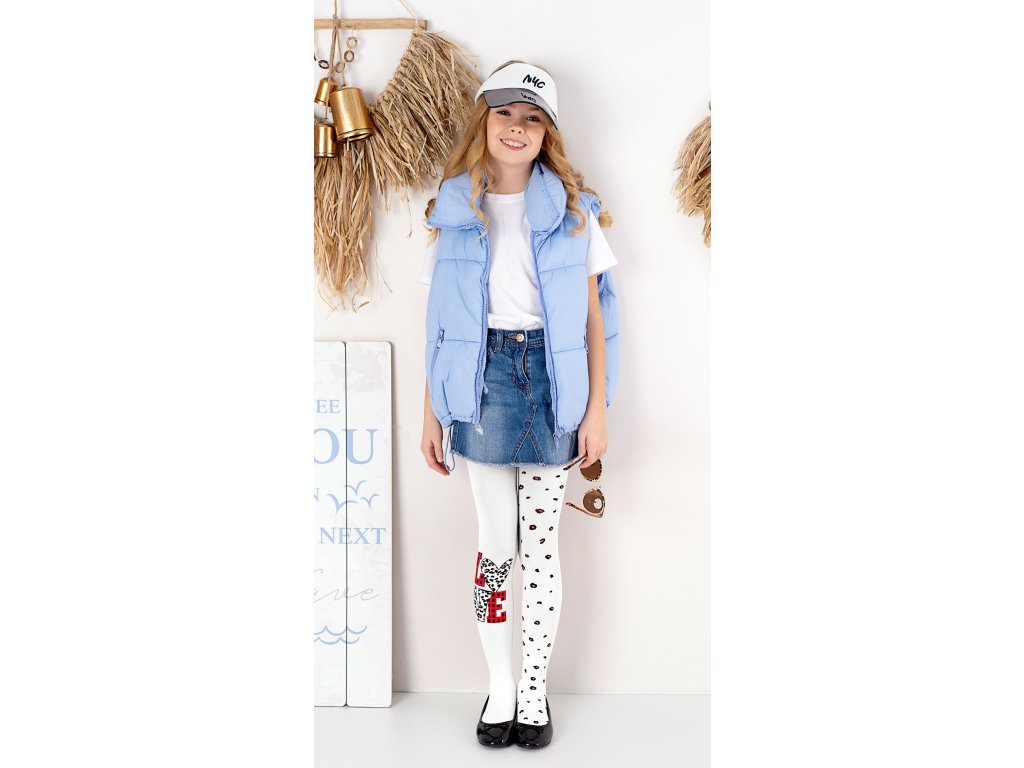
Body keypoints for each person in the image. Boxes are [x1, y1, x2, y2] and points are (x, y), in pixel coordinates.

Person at [419, 60, 621, 749]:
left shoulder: (574, 211)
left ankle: (533, 691)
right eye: (504, 113)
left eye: (532, 117)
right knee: (494, 544)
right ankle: (499, 686)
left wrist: (597, 409)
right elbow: (439, 323)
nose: (516, 127)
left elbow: (595, 319)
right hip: (482, 382)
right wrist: (431, 412)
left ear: (547, 133)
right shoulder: (454, 208)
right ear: (484, 121)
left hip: (554, 382)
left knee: (541, 545)